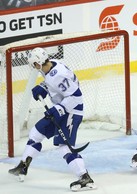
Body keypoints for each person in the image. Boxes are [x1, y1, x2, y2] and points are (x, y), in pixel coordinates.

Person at [8, 47, 96, 191]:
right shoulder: (50, 65)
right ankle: (23, 165)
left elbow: (76, 96)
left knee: (64, 147)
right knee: (36, 133)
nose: (34, 68)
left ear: (39, 62)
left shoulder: (59, 75)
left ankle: (85, 178)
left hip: (72, 112)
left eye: (34, 65)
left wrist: (58, 109)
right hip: (61, 110)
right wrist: (43, 87)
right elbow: (52, 84)